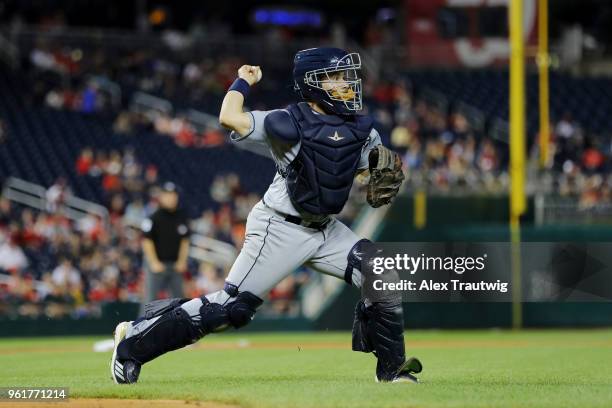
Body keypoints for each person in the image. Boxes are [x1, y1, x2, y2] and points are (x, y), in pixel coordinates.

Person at [110, 47, 420, 385]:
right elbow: (229, 117)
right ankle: (132, 344)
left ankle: (392, 370)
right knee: (229, 310)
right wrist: (243, 81)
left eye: (346, 76)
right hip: (279, 226)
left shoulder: (361, 128)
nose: (346, 83)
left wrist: (376, 173)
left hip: (325, 229)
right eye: (335, 77)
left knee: (380, 271)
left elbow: (350, 171)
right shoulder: (287, 121)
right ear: (312, 83)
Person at [140, 182, 190, 310]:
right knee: (150, 300)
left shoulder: (182, 217)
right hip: (157, 265)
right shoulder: (153, 217)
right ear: (161, 197)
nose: (171, 198)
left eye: (173, 195)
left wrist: (182, 261)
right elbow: (146, 241)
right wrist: (154, 262)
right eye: (167, 195)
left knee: (180, 302)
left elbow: (185, 241)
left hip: (175, 265)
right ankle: (142, 329)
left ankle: (180, 329)